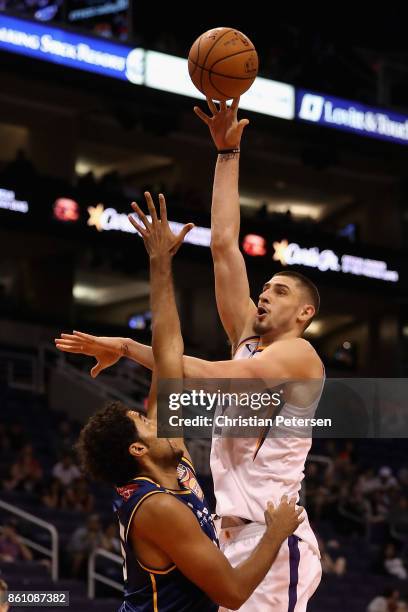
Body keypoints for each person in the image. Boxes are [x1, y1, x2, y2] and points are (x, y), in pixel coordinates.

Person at [56, 100, 324, 610]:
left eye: (280, 291)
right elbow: (224, 245)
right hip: (231, 536)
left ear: (305, 313)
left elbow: (201, 374)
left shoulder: (300, 357)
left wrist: (130, 347)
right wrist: (227, 152)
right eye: (264, 287)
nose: (265, 294)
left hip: (273, 535)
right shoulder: (249, 338)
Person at [74, 192, 304, 611]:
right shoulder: (156, 506)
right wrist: (276, 533)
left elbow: (168, 358)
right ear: (139, 450)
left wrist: (160, 263)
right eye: (144, 423)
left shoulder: (173, 460)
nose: (154, 420)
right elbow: (232, 594)